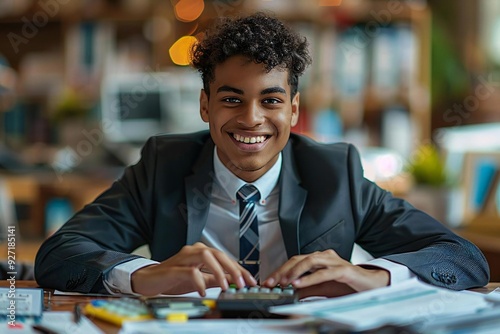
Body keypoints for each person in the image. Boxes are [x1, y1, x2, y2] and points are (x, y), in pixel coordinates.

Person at [35, 13, 489, 298]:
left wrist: (373, 276)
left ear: (293, 110)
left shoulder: (335, 173)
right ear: (204, 105)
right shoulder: (163, 166)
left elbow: (462, 257)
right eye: (231, 99)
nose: (251, 119)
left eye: (271, 101)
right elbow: (60, 254)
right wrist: (141, 276)